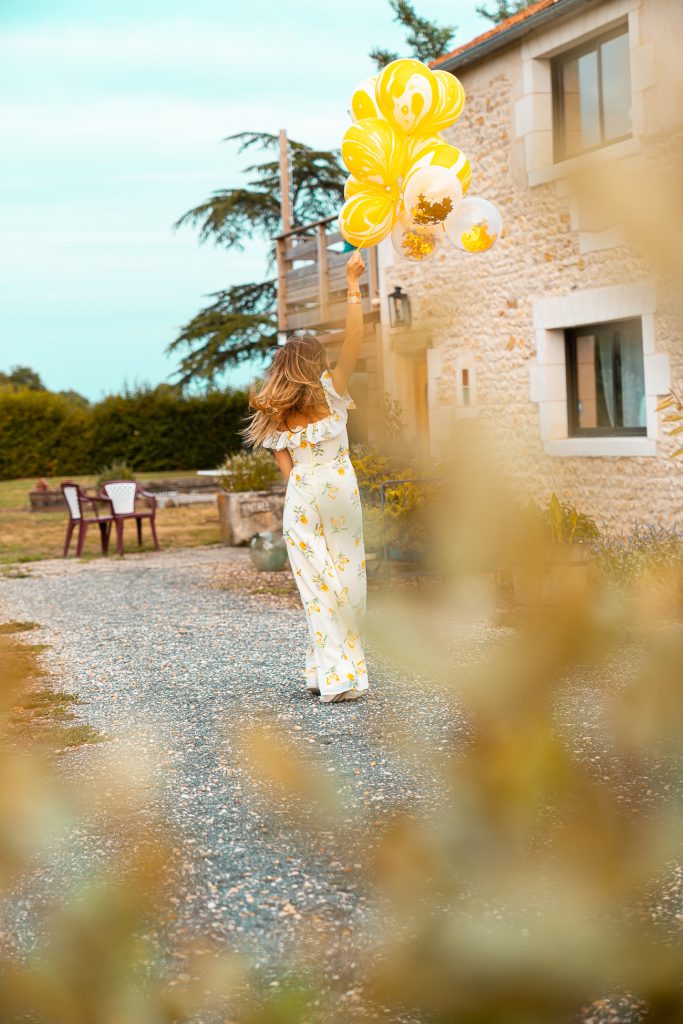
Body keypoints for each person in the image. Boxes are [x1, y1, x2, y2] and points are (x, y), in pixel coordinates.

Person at [244, 251, 369, 704]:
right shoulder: (333, 392)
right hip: (339, 492)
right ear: (315, 363)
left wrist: (303, 488)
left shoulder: (276, 411)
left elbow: (288, 469)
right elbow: (356, 336)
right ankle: (339, 677)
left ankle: (322, 669)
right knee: (347, 583)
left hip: (302, 494)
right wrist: (352, 282)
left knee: (319, 587)